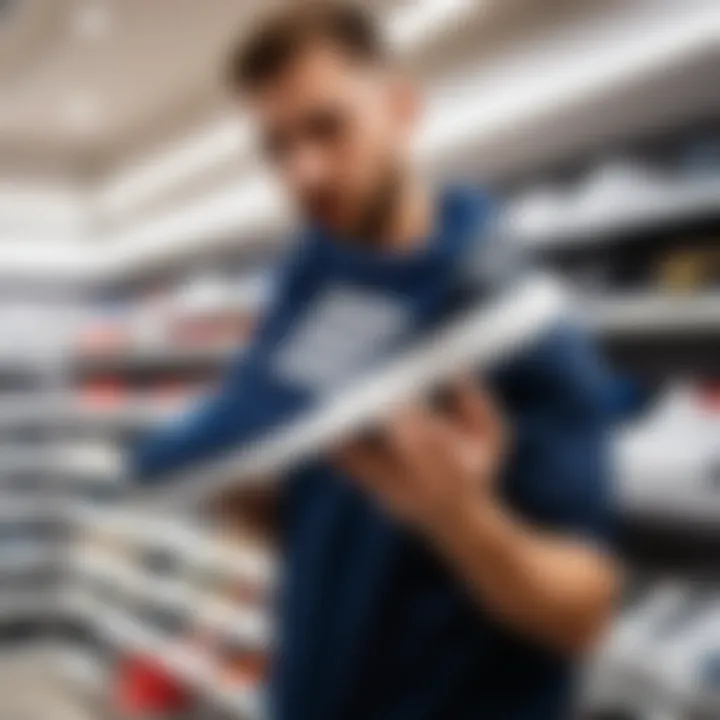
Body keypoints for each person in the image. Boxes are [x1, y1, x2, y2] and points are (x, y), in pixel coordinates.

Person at [132, 3, 621, 719]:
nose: (304, 172)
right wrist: (248, 494)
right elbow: (316, 527)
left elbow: (586, 613)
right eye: (277, 148)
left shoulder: (514, 325)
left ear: (401, 109)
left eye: (329, 128)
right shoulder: (309, 297)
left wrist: (461, 519)